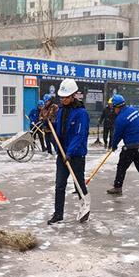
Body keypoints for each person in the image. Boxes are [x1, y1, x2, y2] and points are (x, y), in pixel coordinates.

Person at [47, 78, 89, 225]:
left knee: (78, 184)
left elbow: (79, 135)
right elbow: (58, 129)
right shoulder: (61, 111)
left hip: (76, 155)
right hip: (62, 155)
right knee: (59, 185)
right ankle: (58, 214)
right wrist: (49, 125)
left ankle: (85, 206)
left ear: (73, 96)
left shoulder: (81, 113)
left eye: (65, 97)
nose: (63, 99)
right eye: (61, 97)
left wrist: (70, 153)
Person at [106, 95, 139, 196]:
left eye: (114, 108)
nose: (113, 110)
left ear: (117, 107)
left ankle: (117, 187)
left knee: (121, 166)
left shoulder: (120, 119)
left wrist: (113, 146)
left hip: (131, 147)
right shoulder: (135, 110)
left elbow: (117, 135)